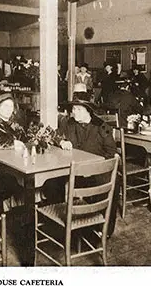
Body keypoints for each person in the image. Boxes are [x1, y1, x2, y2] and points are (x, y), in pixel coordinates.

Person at [47, 92, 119, 235]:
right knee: (52, 184)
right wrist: (61, 141)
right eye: (73, 109)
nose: (74, 112)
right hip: (73, 170)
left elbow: (111, 152)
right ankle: (65, 227)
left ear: (88, 110)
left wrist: (95, 163)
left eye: (79, 109)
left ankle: (103, 230)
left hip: (96, 170)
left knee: (112, 185)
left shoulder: (101, 126)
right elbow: (54, 134)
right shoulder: (69, 123)